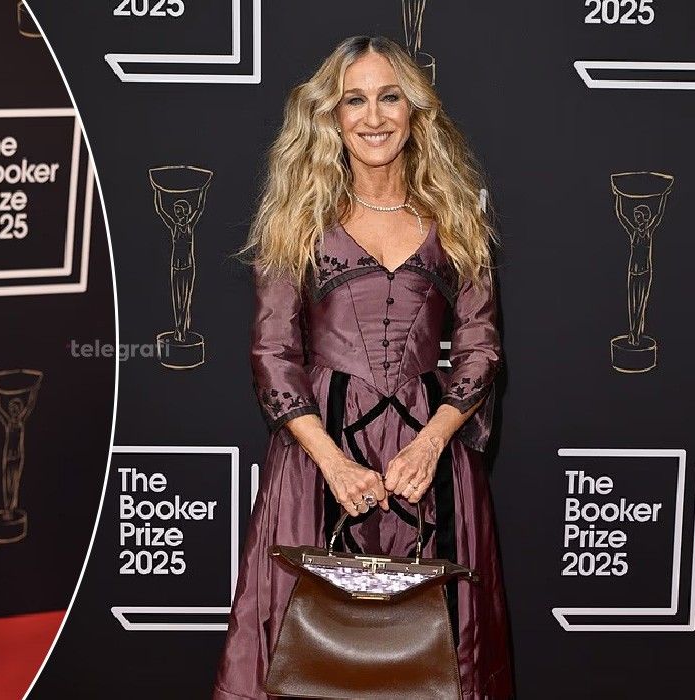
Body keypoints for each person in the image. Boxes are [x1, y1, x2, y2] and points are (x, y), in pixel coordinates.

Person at [214, 35, 513, 699]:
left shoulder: (456, 216)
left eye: (389, 97)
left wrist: (431, 444)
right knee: (311, 659)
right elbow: (273, 354)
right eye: (355, 100)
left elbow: (480, 345)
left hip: (429, 454)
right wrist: (332, 462)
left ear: (414, 111)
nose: (373, 117)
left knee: (437, 659)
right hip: (318, 455)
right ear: (332, 115)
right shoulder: (297, 218)